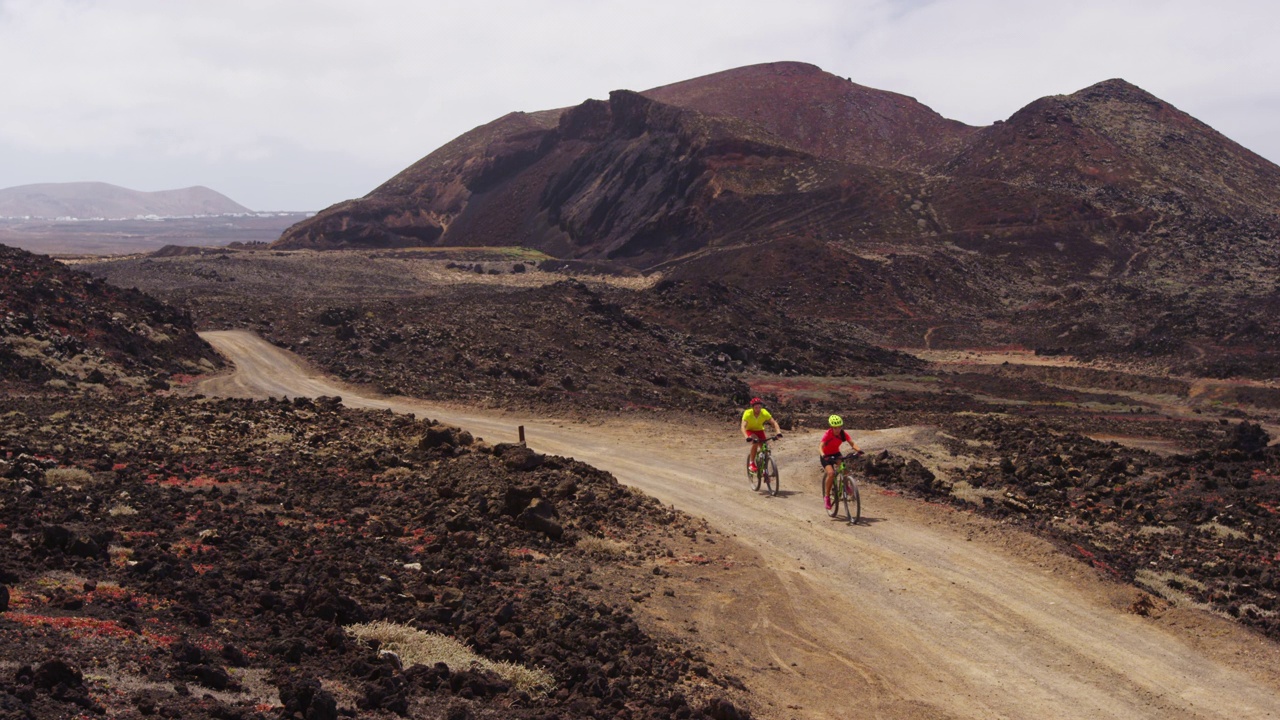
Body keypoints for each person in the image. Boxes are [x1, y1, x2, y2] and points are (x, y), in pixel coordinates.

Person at [820, 414, 863, 510]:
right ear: (831, 427)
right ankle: (827, 497)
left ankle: (846, 485)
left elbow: (852, 443)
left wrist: (858, 450)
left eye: (839, 427)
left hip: (836, 453)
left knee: (844, 469)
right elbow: (820, 446)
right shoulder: (828, 434)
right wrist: (823, 455)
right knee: (831, 473)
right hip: (826, 456)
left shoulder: (843, 434)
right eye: (835, 428)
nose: (837, 429)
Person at [741, 397, 782, 473]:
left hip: (760, 430)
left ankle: (764, 469)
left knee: (765, 448)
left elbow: (774, 422)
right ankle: (751, 463)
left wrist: (778, 432)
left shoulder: (764, 412)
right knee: (755, 442)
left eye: (759, 407)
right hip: (750, 430)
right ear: (752, 407)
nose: (758, 409)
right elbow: (743, 426)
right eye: (756, 407)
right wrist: (747, 437)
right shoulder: (747, 413)